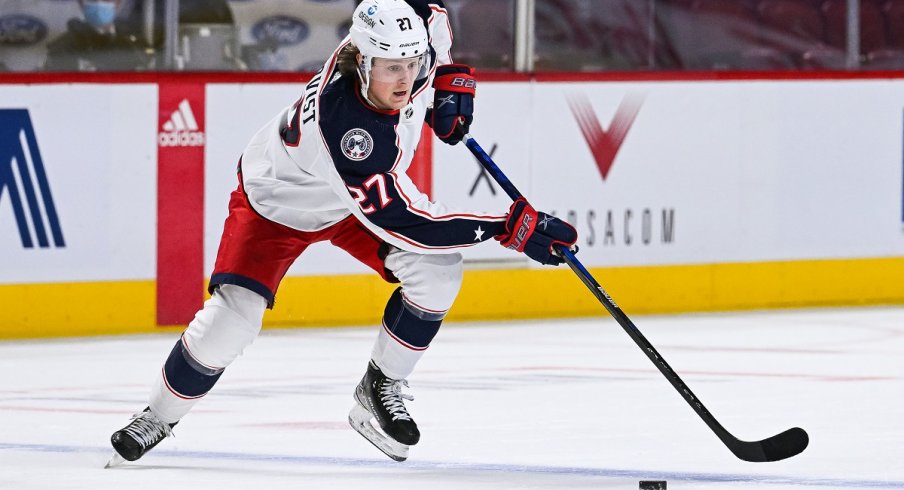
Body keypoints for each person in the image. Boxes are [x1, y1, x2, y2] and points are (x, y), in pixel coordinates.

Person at [106, 0, 577, 466]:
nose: (406, 79)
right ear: (362, 60)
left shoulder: (416, 42)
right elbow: (408, 222)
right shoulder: (349, 129)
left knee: (438, 273)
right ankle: (157, 417)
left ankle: (380, 386)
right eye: (392, 68)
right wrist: (504, 228)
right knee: (233, 320)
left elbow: (430, 16)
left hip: (349, 202)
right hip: (277, 205)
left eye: (413, 66)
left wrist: (447, 84)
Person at [44, 0, 151, 72]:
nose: (99, 3)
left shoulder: (137, 44)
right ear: (81, 3)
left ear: (118, 2)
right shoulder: (61, 48)